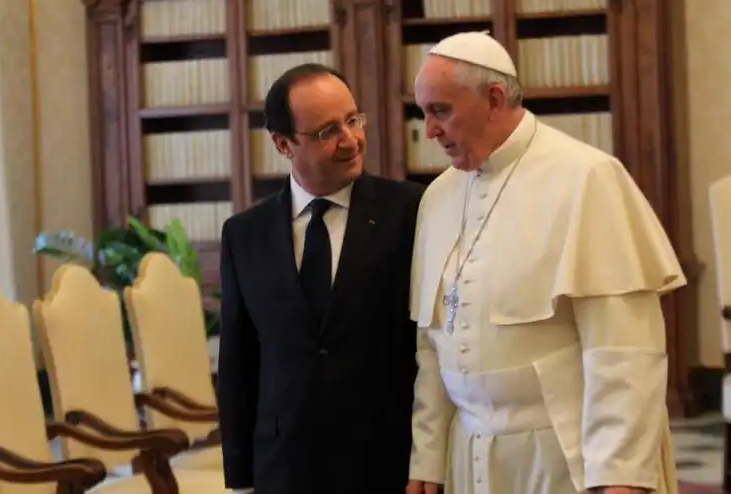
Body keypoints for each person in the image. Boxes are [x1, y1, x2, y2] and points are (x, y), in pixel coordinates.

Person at [406, 31, 685, 494]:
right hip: (468, 456)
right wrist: (427, 457)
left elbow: (624, 351)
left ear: (494, 99)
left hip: (565, 455)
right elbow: (432, 346)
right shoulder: (437, 198)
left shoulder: (587, 178)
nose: (430, 130)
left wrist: (619, 476)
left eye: (441, 111)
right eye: (425, 113)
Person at [217, 63, 424, 494]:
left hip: (388, 464)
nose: (351, 140)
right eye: (328, 131)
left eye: (353, 120)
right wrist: (240, 480)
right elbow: (239, 363)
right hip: (284, 467)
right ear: (283, 143)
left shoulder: (411, 211)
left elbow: (432, 347)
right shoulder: (244, 234)